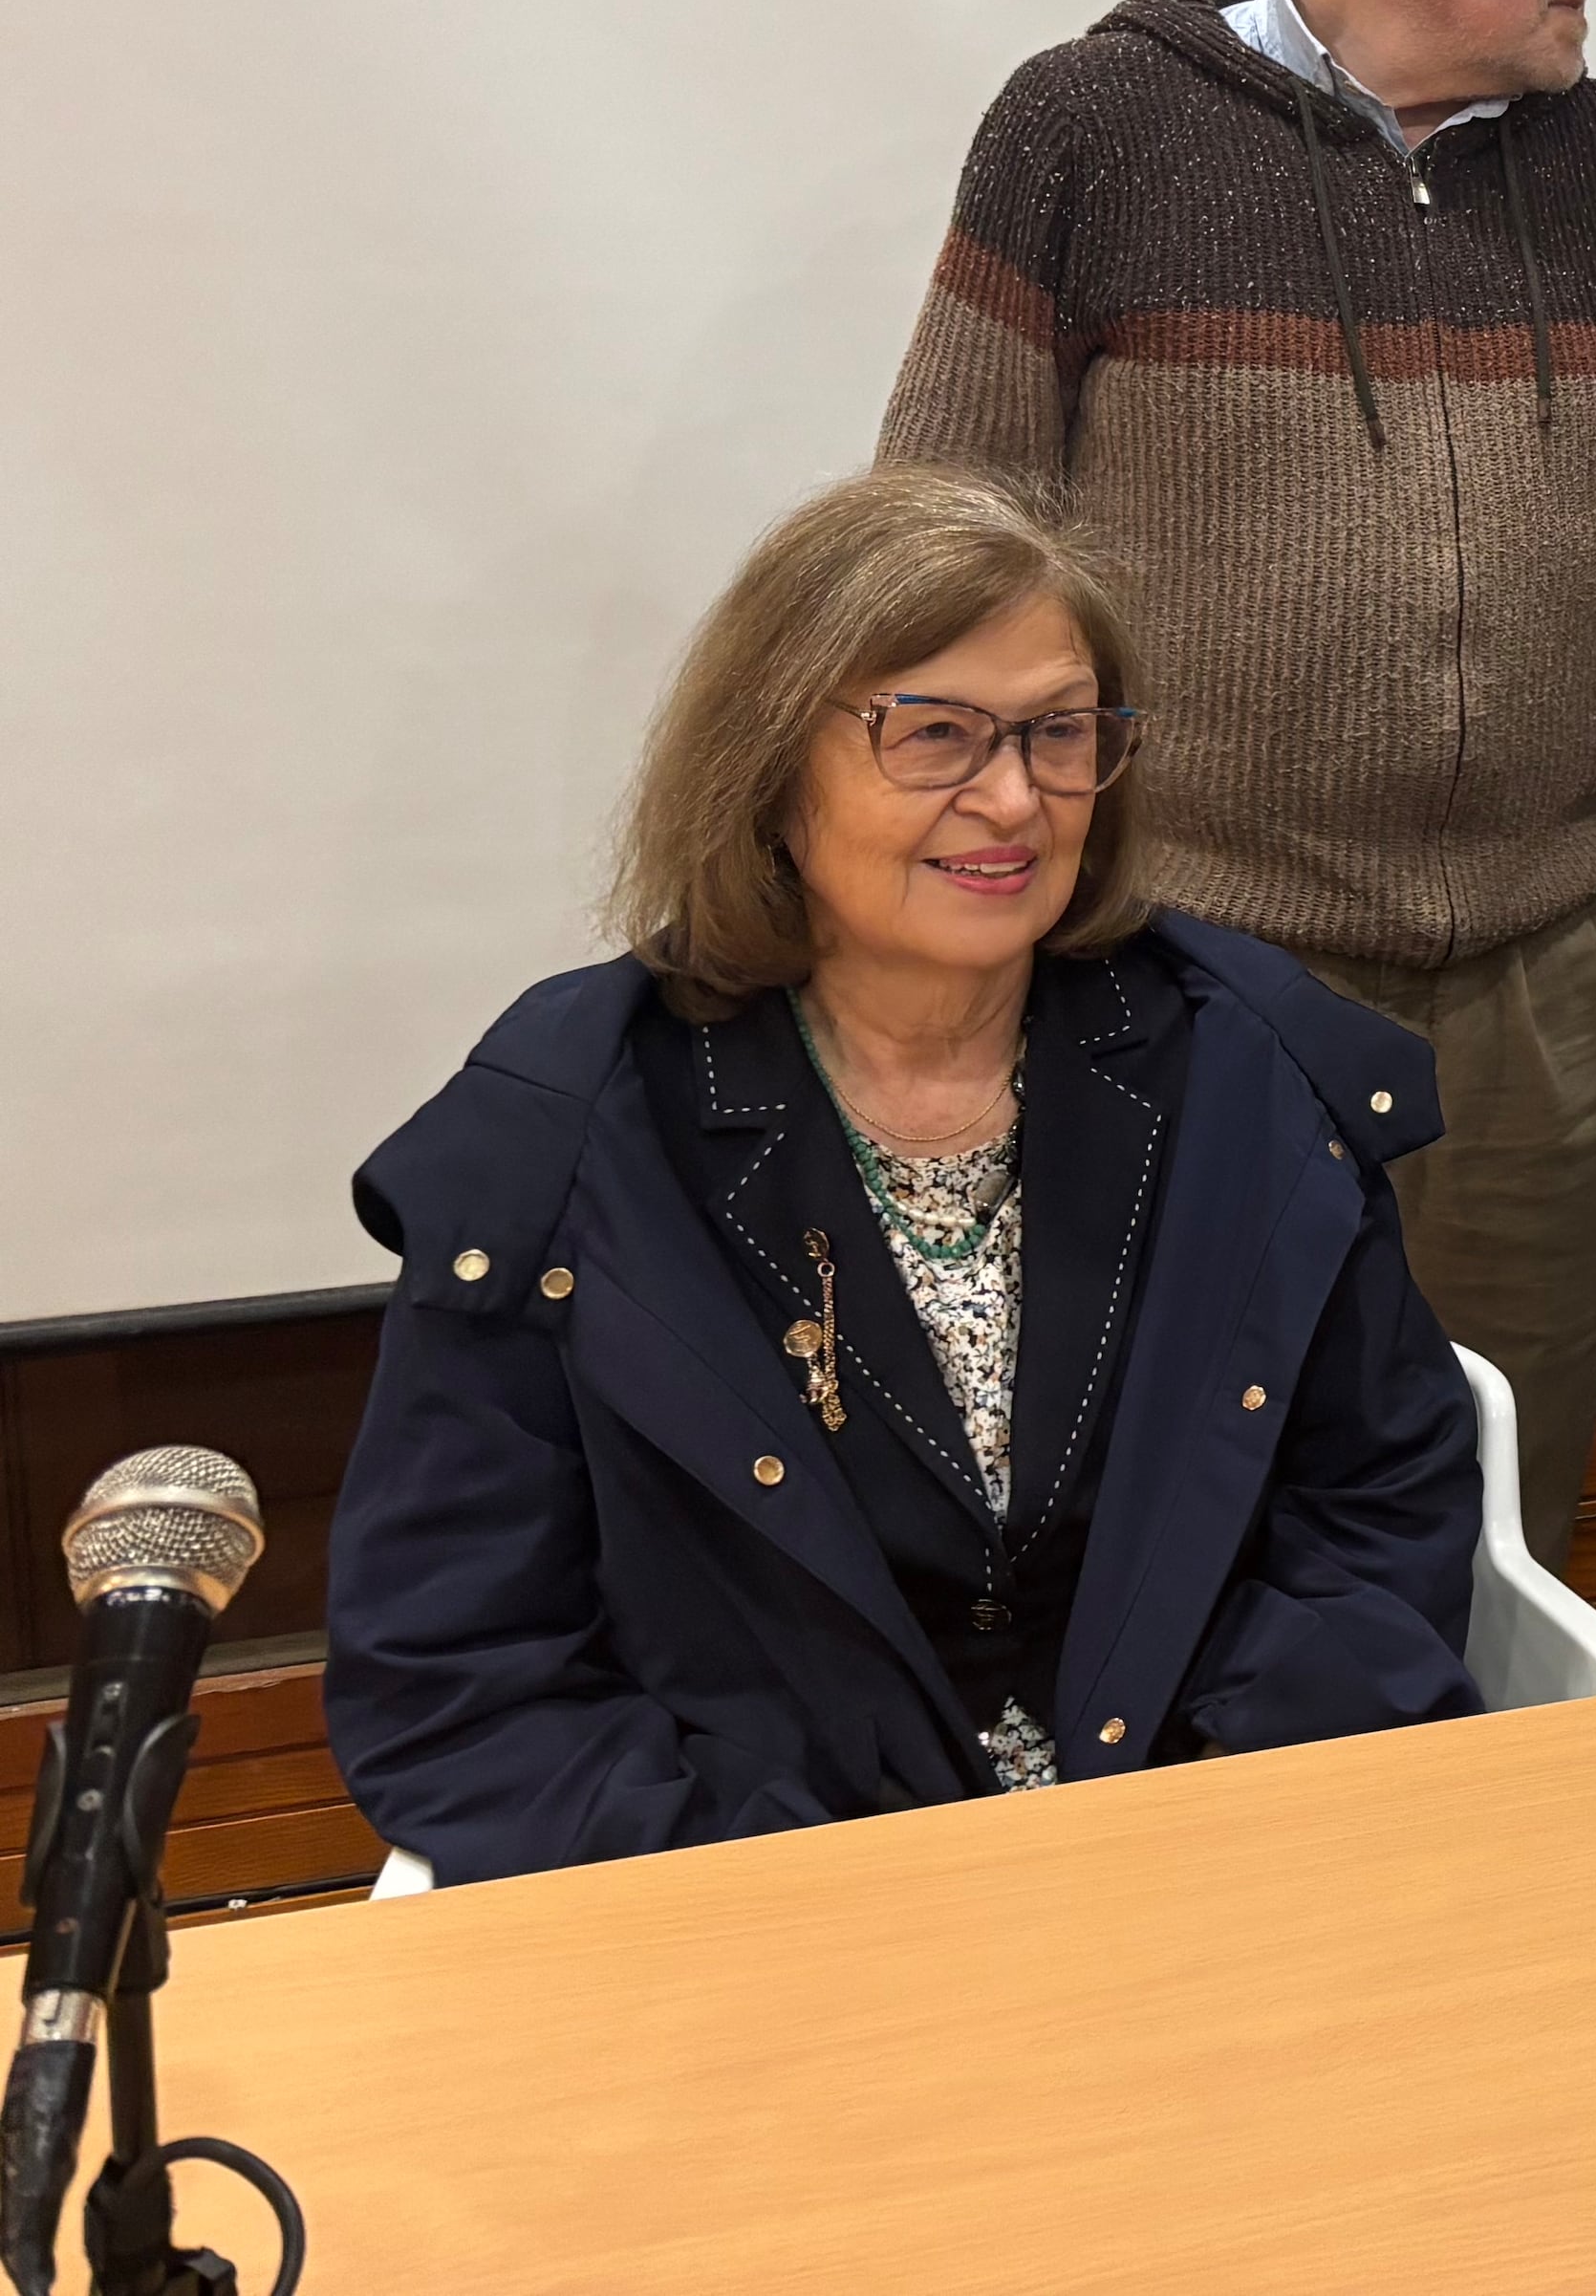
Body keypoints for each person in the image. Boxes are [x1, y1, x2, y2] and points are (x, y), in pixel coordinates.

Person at [325, 466, 1479, 1882]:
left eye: (1058, 732)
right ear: (768, 764)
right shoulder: (571, 1138)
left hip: (1217, 1862)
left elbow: (1379, 1506)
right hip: (767, 1917)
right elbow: (458, 1670)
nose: (1012, 799)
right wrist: (796, 1902)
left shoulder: (1246, 1072)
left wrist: (1207, 1827)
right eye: (934, 734)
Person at [878, 0, 1596, 1560]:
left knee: (1502, 1527)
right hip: (1191, 991)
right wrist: (1052, 935)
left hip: (1550, 1018)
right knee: (1168, 1518)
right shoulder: (1091, 134)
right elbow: (935, 582)